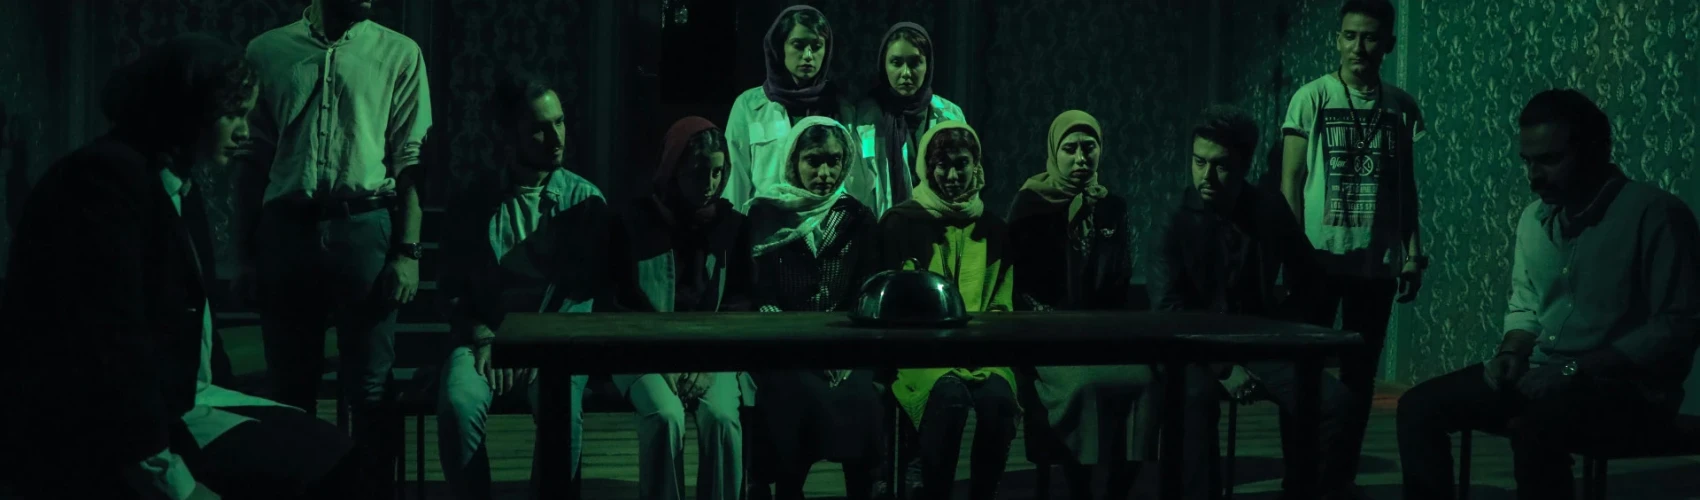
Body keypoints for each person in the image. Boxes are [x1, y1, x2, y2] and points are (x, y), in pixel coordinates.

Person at [0, 33, 370, 499]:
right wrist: (173, 482)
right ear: (186, 111)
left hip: (174, 402)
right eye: (232, 114)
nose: (244, 132)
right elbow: (111, 348)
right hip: (91, 432)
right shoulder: (104, 182)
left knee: (338, 456)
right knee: (330, 468)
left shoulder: (170, 184)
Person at [1397, 89, 1700, 500]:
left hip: (1628, 390)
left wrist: (1575, 369)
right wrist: (1511, 352)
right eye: (1527, 161)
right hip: (1542, 374)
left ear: (1598, 150)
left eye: (1550, 160)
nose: (1533, 176)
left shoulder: (1655, 214)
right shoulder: (1533, 219)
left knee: (1536, 424)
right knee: (1418, 407)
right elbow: (1526, 305)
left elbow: (1678, 325)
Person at [236, 0, 434, 485]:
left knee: (370, 387)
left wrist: (408, 252)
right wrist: (244, 255)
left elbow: (411, 160)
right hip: (286, 229)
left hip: (363, 226)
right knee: (289, 387)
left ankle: (369, 492)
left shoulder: (399, 52)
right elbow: (252, 158)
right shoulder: (267, 51)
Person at [1156, 105, 1357, 500]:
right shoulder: (1174, 218)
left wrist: (1283, 332)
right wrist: (1223, 367)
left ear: (1244, 165)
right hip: (1192, 349)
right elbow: (1166, 309)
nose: (1206, 176)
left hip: (1258, 343)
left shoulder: (1267, 208)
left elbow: (1310, 278)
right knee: (1193, 401)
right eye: (1198, 162)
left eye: (1220, 165)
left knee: (1336, 404)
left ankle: (1307, 491)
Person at [433, 70, 605, 500]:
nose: (556, 137)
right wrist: (483, 334)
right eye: (540, 129)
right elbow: (451, 286)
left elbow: (585, 294)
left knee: (560, 408)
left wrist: (537, 345)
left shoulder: (585, 201)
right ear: (510, 136)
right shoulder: (475, 200)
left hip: (556, 343)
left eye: (559, 122)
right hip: (484, 336)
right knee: (458, 404)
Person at [1278, 0, 1426, 484]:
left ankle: (1339, 477)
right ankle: (1300, 477)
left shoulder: (1400, 106)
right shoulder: (1312, 96)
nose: (1358, 46)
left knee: (1359, 376)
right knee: (1304, 371)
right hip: (1317, 260)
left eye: (1369, 37)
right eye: (1350, 35)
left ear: (1389, 44)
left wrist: (1412, 253)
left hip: (1374, 263)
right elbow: (1291, 181)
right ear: (1337, 39)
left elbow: (1405, 186)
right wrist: (1294, 255)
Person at [1008, 110, 1156, 500]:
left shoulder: (1112, 207)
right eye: (1069, 149)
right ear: (1053, 152)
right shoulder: (1030, 205)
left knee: (1145, 382)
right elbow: (1020, 288)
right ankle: (1081, 489)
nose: (1080, 158)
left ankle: (1118, 490)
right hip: (1048, 336)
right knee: (1085, 385)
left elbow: (1120, 278)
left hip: (1100, 331)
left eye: (1089, 148)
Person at [601, 116, 750, 500]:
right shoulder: (634, 223)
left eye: (717, 172)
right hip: (643, 349)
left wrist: (708, 362)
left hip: (712, 352)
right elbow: (618, 304)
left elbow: (737, 304)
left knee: (722, 419)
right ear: (673, 169)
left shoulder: (731, 226)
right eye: (698, 173)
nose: (710, 183)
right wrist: (660, 357)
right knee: (665, 416)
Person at [744, 116, 883, 500]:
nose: (824, 173)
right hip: (785, 344)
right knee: (793, 396)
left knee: (861, 398)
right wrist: (782, 328)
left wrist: (845, 352)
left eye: (834, 161)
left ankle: (863, 487)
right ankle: (788, 489)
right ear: (793, 161)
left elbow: (865, 292)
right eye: (813, 160)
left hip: (843, 344)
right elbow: (761, 292)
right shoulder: (768, 213)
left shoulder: (856, 217)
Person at [880, 121, 1018, 500]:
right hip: (920, 352)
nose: (953, 176)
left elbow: (1002, 303)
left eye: (962, 164)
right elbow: (892, 302)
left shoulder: (993, 228)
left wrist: (982, 342)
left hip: (982, 351)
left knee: (999, 402)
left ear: (977, 165)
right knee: (948, 398)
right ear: (927, 167)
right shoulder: (901, 222)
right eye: (942, 165)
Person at [724, 5, 854, 213]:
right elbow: (736, 179)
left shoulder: (839, 106)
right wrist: (736, 226)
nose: (808, 55)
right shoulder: (749, 105)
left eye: (817, 46)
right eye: (798, 45)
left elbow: (851, 179)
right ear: (780, 47)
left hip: (825, 224)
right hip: (766, 223)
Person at [844, 22, 967, 217]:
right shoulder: (865, 118)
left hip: (939, 224)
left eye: (915, 63)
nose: (906, 73)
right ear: (884, 65)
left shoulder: (950, 114)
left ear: (928, 65)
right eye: (896, 62)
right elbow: (855, 187)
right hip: (883, 226)